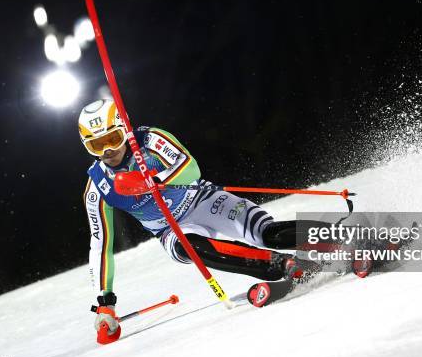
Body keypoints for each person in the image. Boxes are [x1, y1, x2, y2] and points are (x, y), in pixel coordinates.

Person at [79, 99, 306, 340]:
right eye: (97, 145)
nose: (107, 151)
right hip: (171, 230)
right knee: (190, 248)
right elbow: (101, 247)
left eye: (112, 139)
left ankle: (335, 234)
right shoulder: (98, 188)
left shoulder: (150, 141)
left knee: (268, 233)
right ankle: (281, 264)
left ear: (124, 129)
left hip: (202, 200)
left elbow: (191, 168)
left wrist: (152, 182)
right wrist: (105, 303)